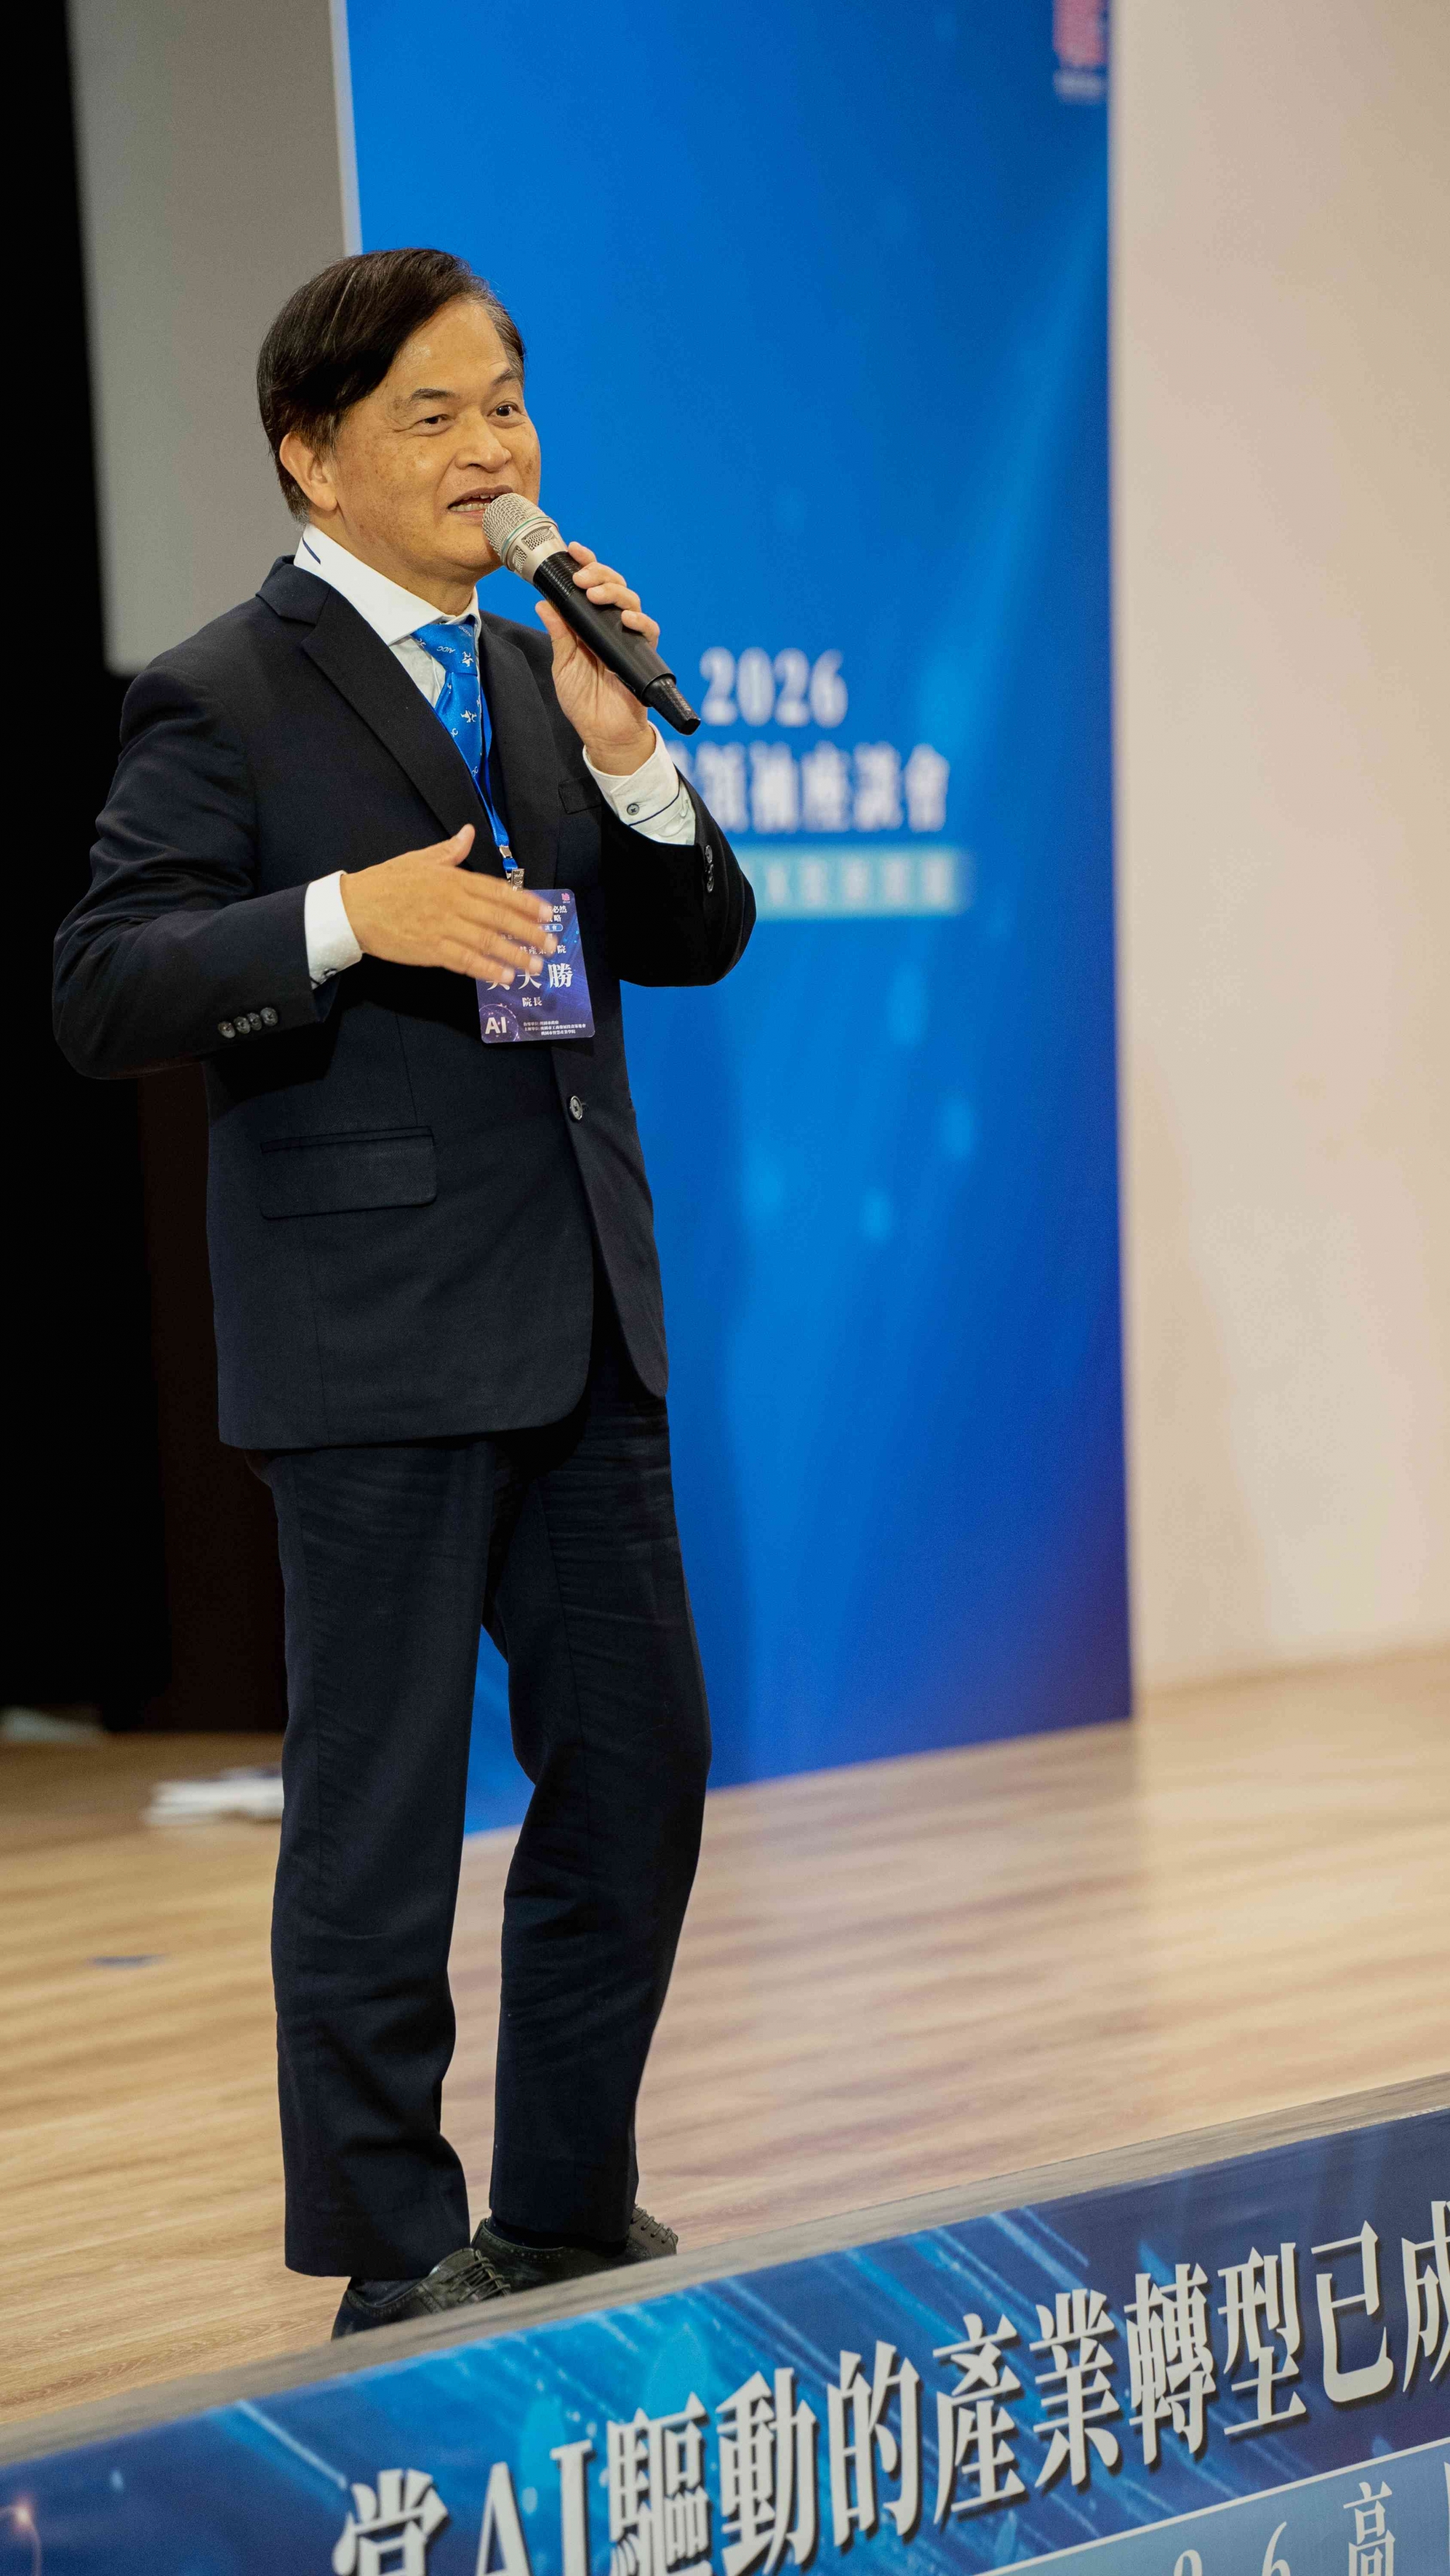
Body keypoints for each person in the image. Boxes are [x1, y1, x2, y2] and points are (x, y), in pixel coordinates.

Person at [53, 247, 754, 2338]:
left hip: (581, 1318)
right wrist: (349, 916)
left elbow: (693, 935)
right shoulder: (224, 690)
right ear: (313, 452)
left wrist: (629, 758)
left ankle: (563, 2202)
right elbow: (104, 984)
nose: (489, 449)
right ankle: (391, 2247)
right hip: (370, 1339)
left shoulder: (540, 666)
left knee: (638, 1769)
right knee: (378, 1820)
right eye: (433, 416)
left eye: (506, 406)